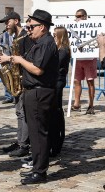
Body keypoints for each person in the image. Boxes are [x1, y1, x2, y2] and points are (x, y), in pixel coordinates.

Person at [9, 9, 58, 185]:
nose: (28, 30)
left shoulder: (46, 43)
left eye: (31, 27)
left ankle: (39, 172)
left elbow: (38, 69)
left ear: (42, 27)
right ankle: (37, 168)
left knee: (38, 134)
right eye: (28, 27)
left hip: (40, 92)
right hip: (34, 91)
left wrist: (20, 60)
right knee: (36, 134)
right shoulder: (39, 42)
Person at [0, 11, 33, 158]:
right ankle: (20, 141)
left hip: (24, 79)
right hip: (18, 77)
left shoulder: (25, 37)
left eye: (8, 21)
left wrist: (8, 59)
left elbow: (26, 57)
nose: (6, 25)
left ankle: (23, 145)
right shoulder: (16, 37)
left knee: (22, 113)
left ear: (16, 21)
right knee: (19, 113)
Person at [49, 26, 70, 157]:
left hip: (58, 82)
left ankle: (57, 142)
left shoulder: (63, 50)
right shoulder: (59, 48)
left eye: (55, 35)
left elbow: (55, 65)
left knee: (56, 111)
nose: (53, 37)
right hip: (55, 81)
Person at [72, 9, 97, 115]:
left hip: (89, 59)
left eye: (80, 15)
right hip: (77, 58)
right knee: (76, 81)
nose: (78, 18)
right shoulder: (74, 26)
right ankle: (77, 103)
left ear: (85, 16)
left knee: (90, 81)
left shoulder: (93, 26)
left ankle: (91, 105)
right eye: (77, 16)